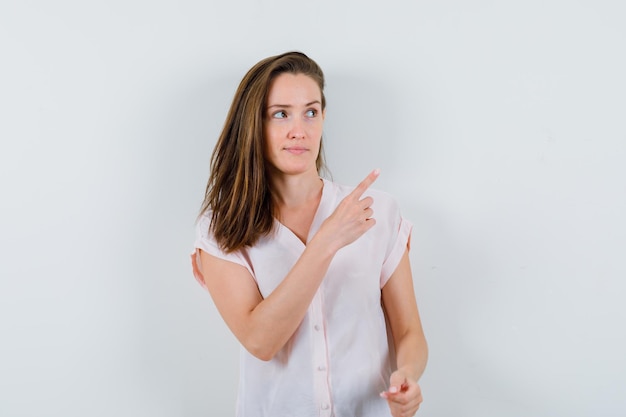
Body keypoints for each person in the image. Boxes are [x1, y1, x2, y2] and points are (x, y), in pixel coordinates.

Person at [191, 51, 428, 417]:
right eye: (281, 113)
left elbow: (409, 330)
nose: (299, 130)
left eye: (311, 112)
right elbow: (261, 340)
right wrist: (327, 240)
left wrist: (408, 375)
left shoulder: (377, 211)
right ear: (254, 123)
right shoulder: (221, 228)